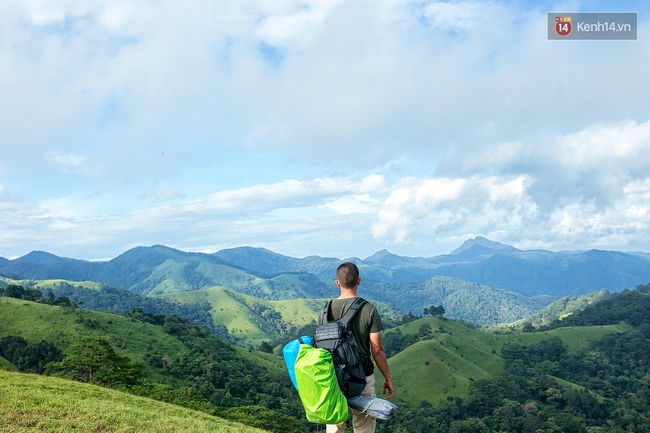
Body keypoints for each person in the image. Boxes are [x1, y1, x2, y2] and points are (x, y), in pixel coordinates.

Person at [318, 262, 394, 433]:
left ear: (337, 282)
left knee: (335, 427)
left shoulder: (324, 312)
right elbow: (377, 350)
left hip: (334, 378)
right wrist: (387, 377)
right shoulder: (369, 310)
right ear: (359, 280)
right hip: (362, 378)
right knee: (364, 427)